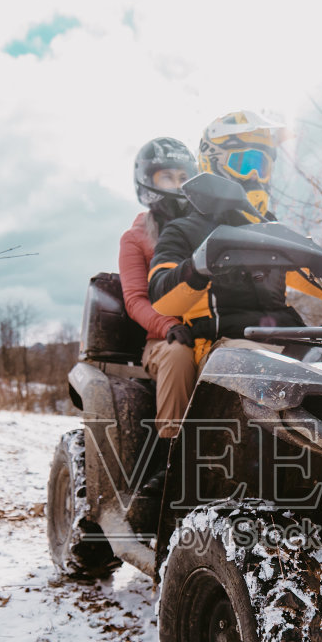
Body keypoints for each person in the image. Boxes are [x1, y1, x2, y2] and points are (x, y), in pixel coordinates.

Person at [146, 111, 322, 364]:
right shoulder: (183, 229)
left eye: (261, 166)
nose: (255, 175)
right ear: (212, 164)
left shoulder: (269, 232)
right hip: (222, 348)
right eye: (244, 163)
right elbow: (161, 298)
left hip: (288, 345)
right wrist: (199, 265)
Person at [119, 137, 200, 440]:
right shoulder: (136, 237)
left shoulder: (206, 228)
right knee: (178, 355)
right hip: (165, 340)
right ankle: (172, 454)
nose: (177, 185)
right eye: (167, 176)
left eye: (183, 177)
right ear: (147, 180)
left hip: (210, 328)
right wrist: (168, 326)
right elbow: (135, 299)